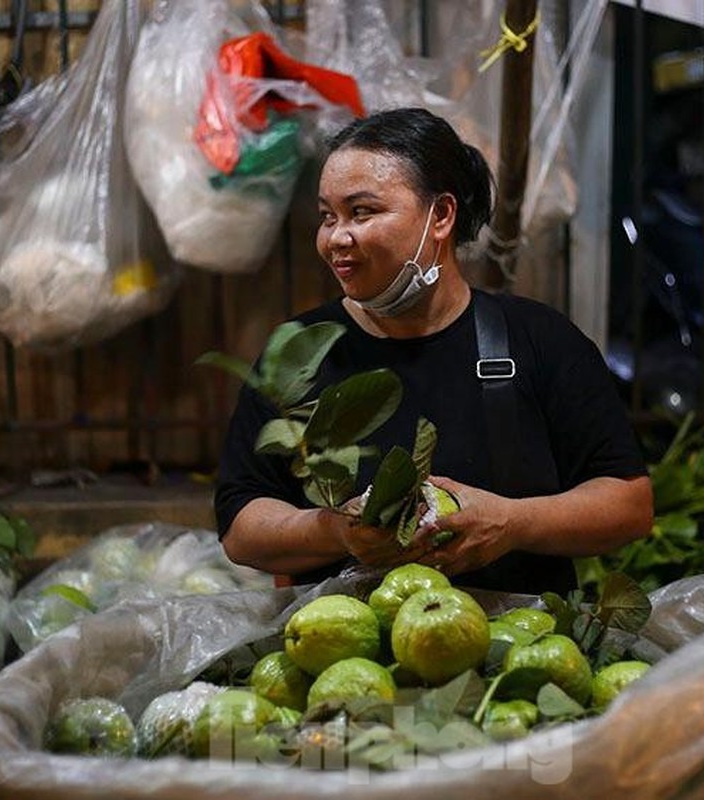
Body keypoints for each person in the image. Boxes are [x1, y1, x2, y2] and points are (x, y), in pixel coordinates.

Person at [214, 107, 652, 595]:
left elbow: (628, 505)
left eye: (362, 212)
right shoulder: (299, 353)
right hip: (343, 655)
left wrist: (512, 522)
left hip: (518, 653)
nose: (337, 237)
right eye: (327, 216)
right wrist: (336, 531)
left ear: (440, 216)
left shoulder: (538, 340)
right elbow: (241, 526)